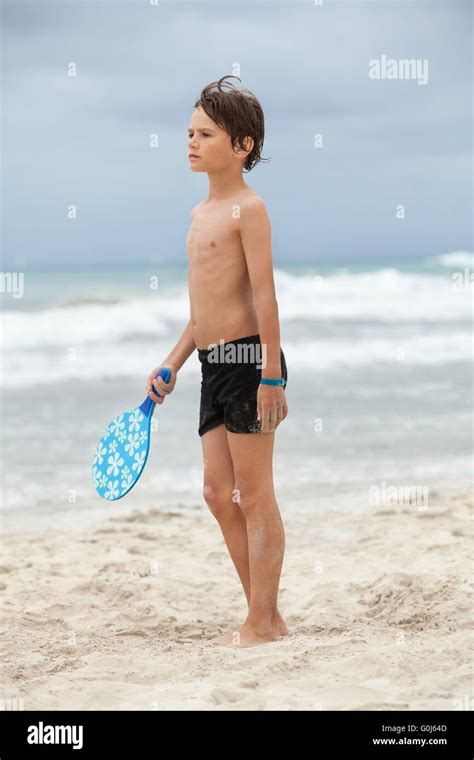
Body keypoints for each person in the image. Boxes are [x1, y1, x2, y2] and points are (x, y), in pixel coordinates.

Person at [146, 75, 289, 647]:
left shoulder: (247, 210)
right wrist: (174, 362)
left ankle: (260, 622)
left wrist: (273, 374)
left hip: (252, 362)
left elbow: (264, 296)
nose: (191, 142)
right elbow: (204, 308)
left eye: (205, 133)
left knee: (254, 495)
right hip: (210, 364)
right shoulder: (198, 214)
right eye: (188, 132)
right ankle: (267, 615)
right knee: (216, 493)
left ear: (242, 146)